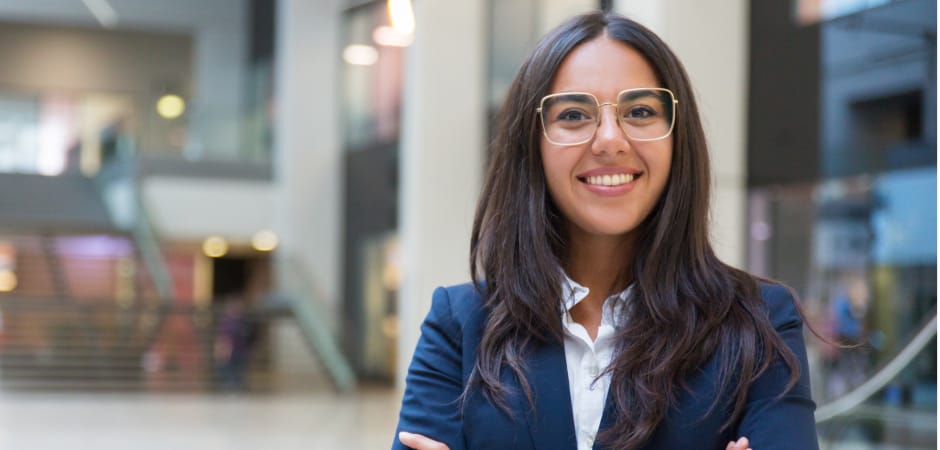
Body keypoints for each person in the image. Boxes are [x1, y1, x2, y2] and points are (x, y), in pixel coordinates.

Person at [393, 12, 817, 450]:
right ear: (532, 145)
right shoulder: (460, 325)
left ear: (677, 137)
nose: (610, 140)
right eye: (575, 114)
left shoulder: (759, 323)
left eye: (639, 111)